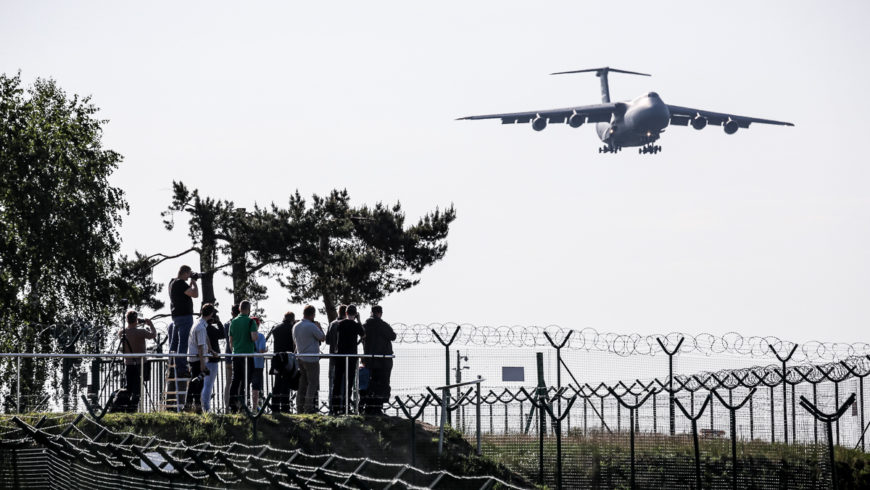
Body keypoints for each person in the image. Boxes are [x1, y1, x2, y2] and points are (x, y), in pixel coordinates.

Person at [329, 304, 365, 414]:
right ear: (355, 314)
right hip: (352, 356)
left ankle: (335, 407)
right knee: (349, 383)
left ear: (346, 313)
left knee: (337, 381)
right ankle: (346, 407)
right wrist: (359, 320)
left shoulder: (339, 324)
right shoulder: (356, 325)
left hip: (340, 356)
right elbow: (363, 335)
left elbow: (333, 338)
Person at [362, 305, 395, 415]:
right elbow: (393, 336)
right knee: (382, 384)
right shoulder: (382, 324)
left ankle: (369, 406)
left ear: (371, 312)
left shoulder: (365, 325)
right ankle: (377, 407)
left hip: (369, 360)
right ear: (380, 313)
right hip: (383, 361)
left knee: (371, 383)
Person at [120, 310, 156, 411]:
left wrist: (134, 323)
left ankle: (126, 407)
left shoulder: (123, 333)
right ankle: (134, 408)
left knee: (129, 387)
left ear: (127, 320)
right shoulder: (141, 332)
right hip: (140, 364)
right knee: (137, 388)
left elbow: (126, 330)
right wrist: (150, 324)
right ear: (136, 319)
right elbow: (153, 335)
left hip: (128, 363)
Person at [293, 305, 325, 413]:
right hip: (311, 359)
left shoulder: (296, 326)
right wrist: (319, 327)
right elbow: (322, 337)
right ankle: (308, 407)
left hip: (300, 357)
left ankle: (299, 407)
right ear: (312, 315)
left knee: (302, 384)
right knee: (313, 383)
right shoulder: (312, 326)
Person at [168, 265, 199, 376]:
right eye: (189, 274)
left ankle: (171, 366)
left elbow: (186, 291)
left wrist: (190, 281)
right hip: (185, 316)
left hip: (176, 316)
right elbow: (195, 294)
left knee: (175, 342)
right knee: (184, 342)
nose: (189, 276)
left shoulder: (173, 283)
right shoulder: (180, 283)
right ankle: (181, 368)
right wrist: (194, 282)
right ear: (185, 273)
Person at [228, 300, 258, 412]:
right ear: (249, 309)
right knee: (246, 380)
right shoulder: (251, 322)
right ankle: (243, 403)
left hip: (236, 354)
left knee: (236, 380)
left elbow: (231, 340)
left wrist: (234, 351)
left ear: (240, 309)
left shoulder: (233, 322)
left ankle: (232, 404)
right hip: (248, 355)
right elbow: (254, 337)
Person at [186, 303, 215, 412]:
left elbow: (205, 338)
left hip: (195, 359)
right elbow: (200, 347)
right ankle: (194, 406)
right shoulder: (201, 328)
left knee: (196, 382)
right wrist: (203, 364)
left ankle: (190, 405)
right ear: (211, 314)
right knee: (197, 384)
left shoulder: (199, 323)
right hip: (198, 360)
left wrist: (211, 349)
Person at [271, 311, 296, 413]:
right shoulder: (292, 329)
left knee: (277, 384)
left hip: (277, 358)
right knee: (286, 383)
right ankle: (285, 407)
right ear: (292, 319)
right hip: (287, 358)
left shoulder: (276, 328)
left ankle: (275, 406)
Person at [202, 310, 224, 413]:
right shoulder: (210, 329)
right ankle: (206, 408)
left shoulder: (202, 327)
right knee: (208, 385)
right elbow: (223, 334)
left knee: (205, 384)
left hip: (204, 359)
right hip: (212, 360)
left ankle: (203, 406)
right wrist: (219, 322)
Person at [325, 305, 347, 409]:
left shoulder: (332, 324)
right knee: (343, 382)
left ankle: (332, 405)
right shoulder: (347, 324)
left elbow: (328, 340)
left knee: (332, 382)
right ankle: (342, 406)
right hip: (344, 357)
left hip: (333, 356)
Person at [223, 304, 240, 408]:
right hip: (237, 355)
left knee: (228, 381)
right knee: (237, 381)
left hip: (228, 355)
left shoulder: (226, 324)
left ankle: (227, 403)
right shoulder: (238, 323)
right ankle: (236, 404)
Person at [251, 319, 267, 409]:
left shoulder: (246, 335)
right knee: (256, 386)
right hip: (258, 364)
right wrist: (266, 350)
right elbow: (261, 350)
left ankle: (244, 405)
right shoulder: (260, 336)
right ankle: (255, 406)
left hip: (248, 362)